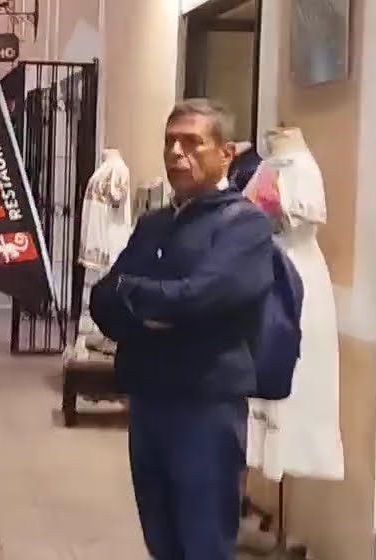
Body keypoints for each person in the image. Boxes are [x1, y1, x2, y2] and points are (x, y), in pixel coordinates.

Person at [90, 98, 274, 560]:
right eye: (170, 142)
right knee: (161, 538)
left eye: (191, 142)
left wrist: (138, 296)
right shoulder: (154, 224)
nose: (176, 153)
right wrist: (154, 304)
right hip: (148, 402)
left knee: (204, 540)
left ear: (226, 154)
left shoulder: (245, 226)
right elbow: (103, 299)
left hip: (205, 408)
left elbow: (202, 297)